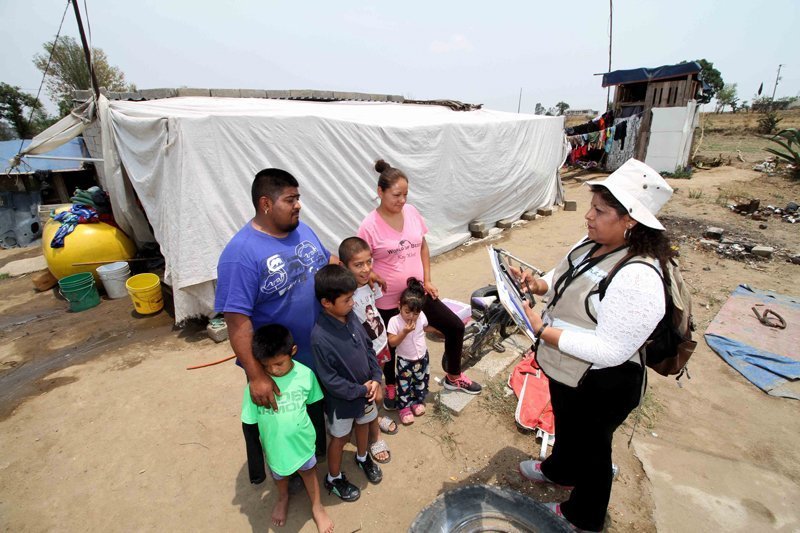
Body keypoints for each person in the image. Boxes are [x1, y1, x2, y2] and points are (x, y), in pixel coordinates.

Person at [515, 159, 674, 532]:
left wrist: (543, 331)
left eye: (599, 210)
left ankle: (584, 515)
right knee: (567, 425)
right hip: (569, 369)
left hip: (605, 382)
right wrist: (537, 284)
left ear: (630, 220)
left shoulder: (638, 276)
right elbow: (563, 276)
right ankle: (559, 469)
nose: (588, 216)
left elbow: (611, 351)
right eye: (592, 206)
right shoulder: (594, 243)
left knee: (594, 450)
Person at [215, 168, 333, 483]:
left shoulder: (301, 230)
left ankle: (313, 459)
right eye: (290, 199)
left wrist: (357, 267)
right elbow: (236, 321)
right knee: (281, 425)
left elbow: (325, 260)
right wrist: (256, 376)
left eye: (298, 198)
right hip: (279, 364)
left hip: (315, 351)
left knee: (310, 414)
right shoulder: (240, 254)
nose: (298, 206)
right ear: (266, 203)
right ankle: (287, 473)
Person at [358, 159, 482, 405]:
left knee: (454, 326)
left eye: (405, 194)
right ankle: (391, 386)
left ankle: (453, 375)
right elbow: (357, 258)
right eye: (396, 195)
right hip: (388, 300)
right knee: (391, 344)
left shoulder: (412, 213)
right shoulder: (369, 225)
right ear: (380, 192)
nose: (402, 200)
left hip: (417, 293)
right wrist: (370, 273)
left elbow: (423, 245)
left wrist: (428, 279)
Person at [240, 324, 332, 533]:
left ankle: (317, 506)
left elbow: (316, 409)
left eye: (279, 363)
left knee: (309, 472)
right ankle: (283, 498)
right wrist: (255, 466)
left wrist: (320, 445)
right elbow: (249, 425)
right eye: (266, 366)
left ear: (293, 351)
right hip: (274, 448)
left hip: (302, 443)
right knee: (279, 476)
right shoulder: (255, 388)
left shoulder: (305, 375)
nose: (273, 370)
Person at [311, 264, 385, 502]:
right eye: (346, 299)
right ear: (326, 303)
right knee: (340, 439)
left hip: (367, 392)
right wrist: (361, 389)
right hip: (342, 403)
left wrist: (375, 378)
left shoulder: (351, 316)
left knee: (363, 425)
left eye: (352, 297)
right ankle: (333, 478)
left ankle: (363, 458)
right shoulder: (319, 338)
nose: (353, 303)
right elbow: (330, 380)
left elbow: (369, 348)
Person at [339, 236, 398, 462]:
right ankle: (374, 438)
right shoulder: (344, 295)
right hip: (365, 354)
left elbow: (373, 311)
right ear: (344, 266)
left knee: (377, 390)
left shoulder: (369, 284)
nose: (366, 269)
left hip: (380, 346)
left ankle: (375, 418)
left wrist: (371, 276)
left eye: (369, 262)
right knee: (374, 394)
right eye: (358, 265)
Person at [386, 278, 433, 425]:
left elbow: (424, 328)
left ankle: (416, 402)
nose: (411, 316)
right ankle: (404, 408)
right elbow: (392, 342)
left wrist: (440, 332)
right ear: (399, 306)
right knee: (404, 385)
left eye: (415, 314)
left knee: (420, 382)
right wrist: (404, 333)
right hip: (405, 360)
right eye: (407, 312)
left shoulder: (421, 317)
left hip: (422, 357)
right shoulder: (394, 321)